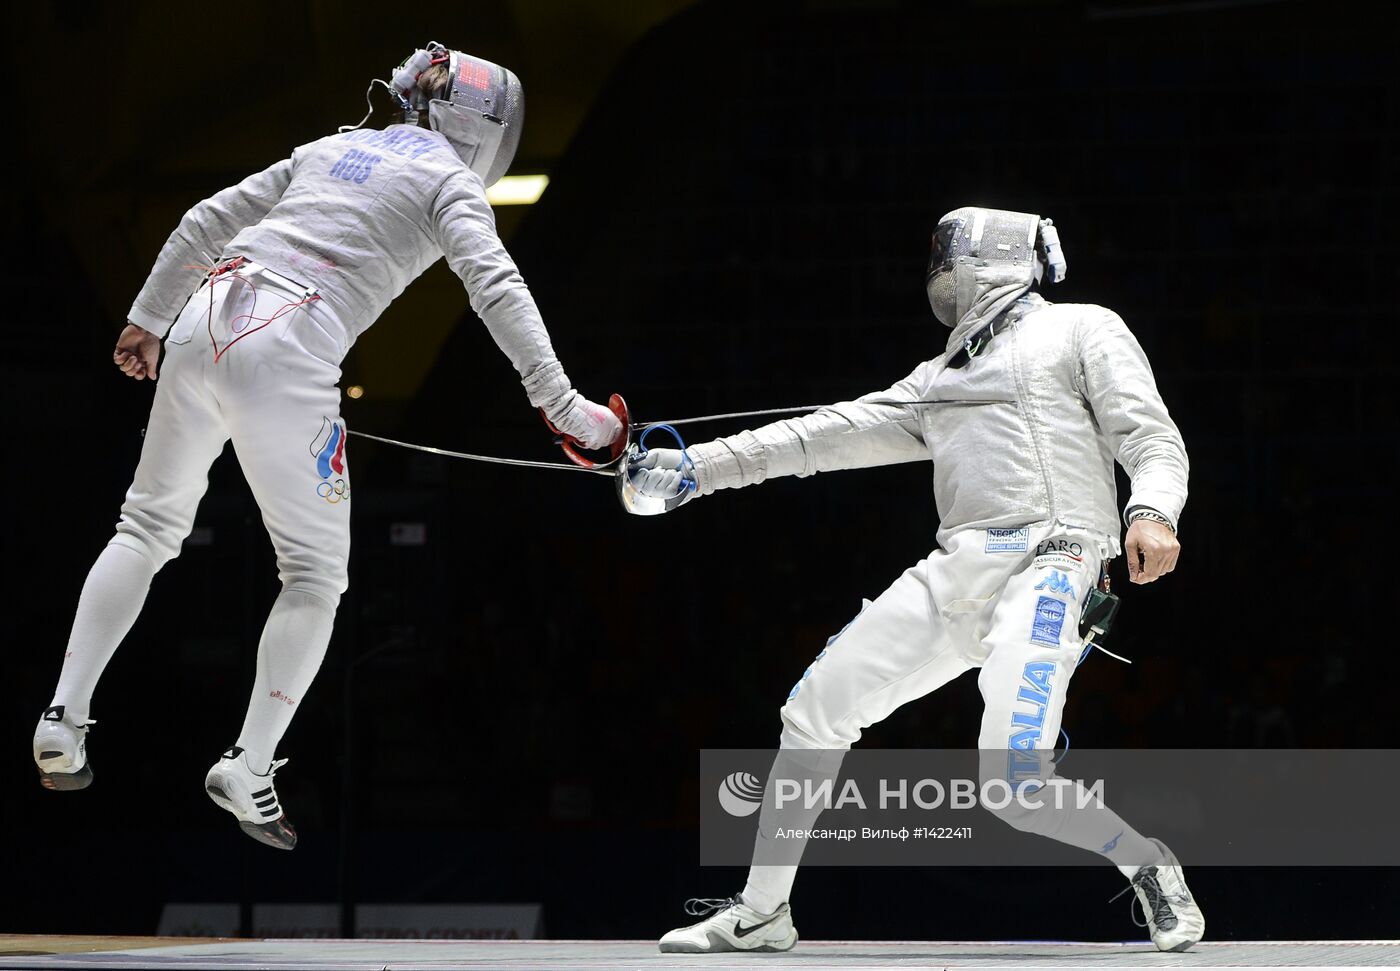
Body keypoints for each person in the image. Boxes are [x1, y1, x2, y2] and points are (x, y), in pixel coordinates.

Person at [32, 43, 621, 850]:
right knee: (311, 574)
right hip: (291, 341)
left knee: (144, 528)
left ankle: (62, 718)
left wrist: (148, 316)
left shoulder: (334, 146)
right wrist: (568, 409)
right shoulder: (448, 180)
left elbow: (205, 221)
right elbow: (497, 288)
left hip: (206, 314)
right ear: (483, 132)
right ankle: (250, 763)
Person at [630, 207, 1204, 952]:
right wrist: (694, 469)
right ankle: (762, 912)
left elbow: (1151, 435)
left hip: (1053, 563)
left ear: (985, 254)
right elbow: (818, 435)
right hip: (956, 570)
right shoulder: (937, 379)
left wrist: (1153, 508)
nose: (937, 267)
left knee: (1012, 781)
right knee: (813, 710)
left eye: (945, 252)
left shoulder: (1081, 329)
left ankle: (1148, 863)